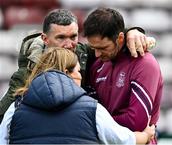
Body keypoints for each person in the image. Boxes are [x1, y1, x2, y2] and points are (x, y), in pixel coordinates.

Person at [0, 8, 154, 122]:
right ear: (45, 39)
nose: (68, 44)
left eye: (73, 36)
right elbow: (3, 115)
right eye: (61, 37)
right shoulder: (27, 72)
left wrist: (132, 32)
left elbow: (111, 39)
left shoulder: (84, 53)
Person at [0, 47, 155, 144]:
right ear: (66, 72)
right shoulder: (92, 108)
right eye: (77, 71)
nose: (80, 76)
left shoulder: (15, 109)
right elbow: (123, 141)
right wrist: (146, 135)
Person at [83, 7, 163, 144]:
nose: (96, 54)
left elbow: (136, 122)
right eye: (93, 48)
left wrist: (92, 124)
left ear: (120, 38)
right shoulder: (97, 64)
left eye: (102, 48)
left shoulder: (144, 63)